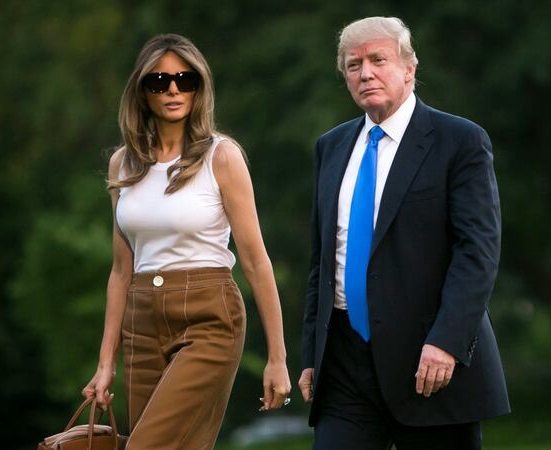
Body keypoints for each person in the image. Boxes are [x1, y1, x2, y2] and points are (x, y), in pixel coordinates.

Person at [299, 17, 510, 449]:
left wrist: (447, 342)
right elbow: (323, 260)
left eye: (378, 59)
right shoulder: (331, 147)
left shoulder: (460, 141)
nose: (366, 73)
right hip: (344, 365)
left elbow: (478, 253)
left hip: (430, 362)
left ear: (410, 68)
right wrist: (311, 355)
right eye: (353, 65)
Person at [81, 34, 291, 450]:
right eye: (159, 81)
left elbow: (256, 263)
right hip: (141, 324)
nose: (173, 89)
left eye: (185, 79)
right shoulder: (123, 163)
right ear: (143, 92)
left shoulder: (222, 157)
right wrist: (106, 363)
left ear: (199, 87)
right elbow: (121, 271)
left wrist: (278, 358)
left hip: (209, 318)